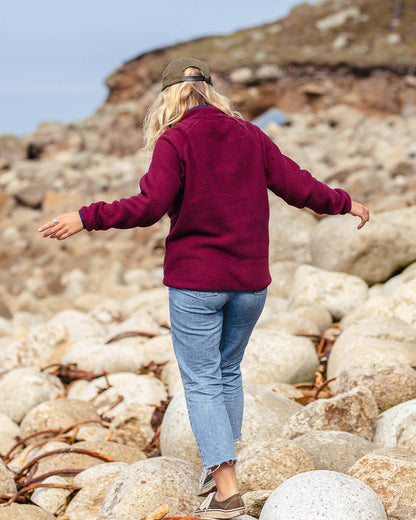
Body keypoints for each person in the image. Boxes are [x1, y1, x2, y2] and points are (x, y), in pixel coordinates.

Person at [38, 57, 370, 519]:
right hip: (250, 284)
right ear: (211, 92)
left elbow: (149, 206)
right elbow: (297, 187)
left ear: (168, 97)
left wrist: (85, 216)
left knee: (202, 381)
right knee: (227, 371)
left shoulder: (175, 139)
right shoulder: (250, 135)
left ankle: (226, 491)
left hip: (197, 283)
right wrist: (344, 203)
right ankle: (219, 472)